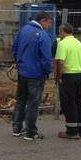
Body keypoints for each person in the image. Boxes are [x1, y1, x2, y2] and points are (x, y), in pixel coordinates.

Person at [11, 11, 53, 141]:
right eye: (49, 23)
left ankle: (17, 128)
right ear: (43, 21)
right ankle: (30, 132)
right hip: (36, 74)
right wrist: (47, 71)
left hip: (22, 71)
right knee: (33, 103)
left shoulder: (23, 29)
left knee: (21, 100)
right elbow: (46, 57)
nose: (49, 26)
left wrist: (18, 63)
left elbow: (14, 47)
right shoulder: (43, 35)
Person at [54, 23, 81, 140]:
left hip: (68, 75)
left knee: (68, 103)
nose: (59, 34)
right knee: (77, 101)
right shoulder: (79, 43)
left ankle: (71, 131)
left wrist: (59, 76)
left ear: (63, 31)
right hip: (79, 74)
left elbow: (61, 62)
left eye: (59, 32)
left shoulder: (62, 44)